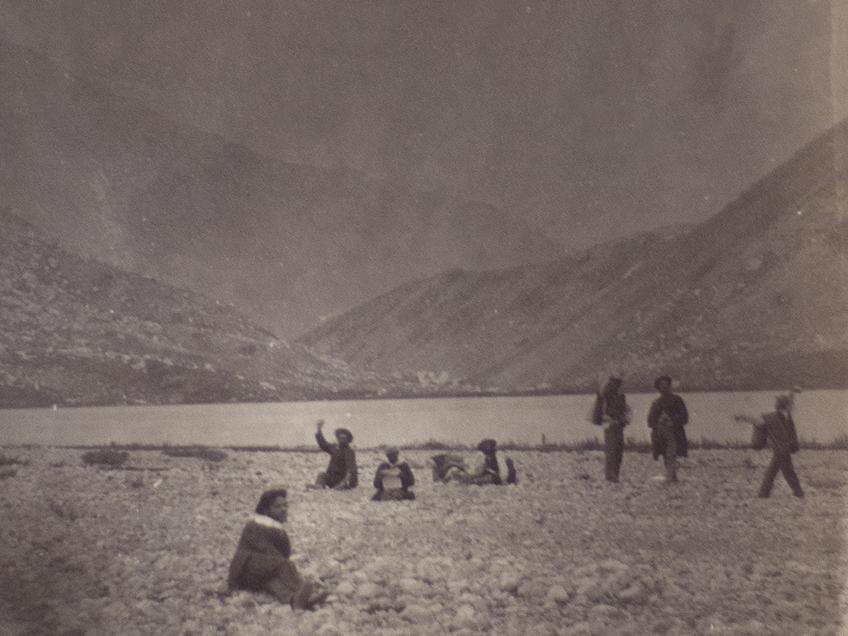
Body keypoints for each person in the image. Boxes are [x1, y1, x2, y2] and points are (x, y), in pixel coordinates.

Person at [227, 488, 328, 609]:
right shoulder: (256, 526)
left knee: (273, 582)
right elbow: (272, 554)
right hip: (245, 571)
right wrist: (293, 572)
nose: (283, 509)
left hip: (260, 572)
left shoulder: (274, 528)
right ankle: (305, 591)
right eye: (278, 506)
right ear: (266, 509)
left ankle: (295, 600)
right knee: (281, 565)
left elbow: (282, 554)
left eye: (285, 505)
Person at [735, 390, 804, 498]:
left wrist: (742, 418)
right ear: (786, 406)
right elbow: (759, 421)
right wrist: (743, 418)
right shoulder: (780, 416)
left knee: (774, 473)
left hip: (781, 450)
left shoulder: (780, 415)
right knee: (786, 473)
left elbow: (758, 421)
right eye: (791, 405)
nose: (793, 406)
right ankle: (798, 493)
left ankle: (764, 494)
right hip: (782, 450)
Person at [647, 375, 689, 482]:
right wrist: (659, 422)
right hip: (660, 433)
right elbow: (650, 421)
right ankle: (672, 476)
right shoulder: (656, 403)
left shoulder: (677, 400)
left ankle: (670, 476)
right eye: (661, 386)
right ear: (659, 388)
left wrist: (672, 421)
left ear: (670, 386)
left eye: (666, 385)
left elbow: (684, 417)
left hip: (674, 432)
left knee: (672, 453)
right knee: (666, 455)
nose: (664, 388)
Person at [590, 375, 631, 482]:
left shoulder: (612, 397)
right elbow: (616, 412)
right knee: (614, 451)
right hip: (612, 425)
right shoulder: (608, 397)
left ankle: (612, 475)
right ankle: (612, 476)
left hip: (614, 425)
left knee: (615, 450)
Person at [433, 439, 517, 485]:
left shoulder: (499, 455)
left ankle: (448, 480)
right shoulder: (489, 457)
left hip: (503, 478)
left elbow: (504, 472)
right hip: (496, 475)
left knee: (475, 480)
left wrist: (504, 482)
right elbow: (477, 469)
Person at [312, 419, 357, 489]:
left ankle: (340, 487)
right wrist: (319, 429)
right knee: (321, 475)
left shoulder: (349, 452)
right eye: (340, 438)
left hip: (343, 479)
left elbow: (351, 469)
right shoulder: (335, 448)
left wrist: (344, 482)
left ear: (348, 440)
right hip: (332, 478)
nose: (341, 440)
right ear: (338, 438)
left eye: (344, 438)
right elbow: (323, 444)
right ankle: (319, 487)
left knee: (342, 486)